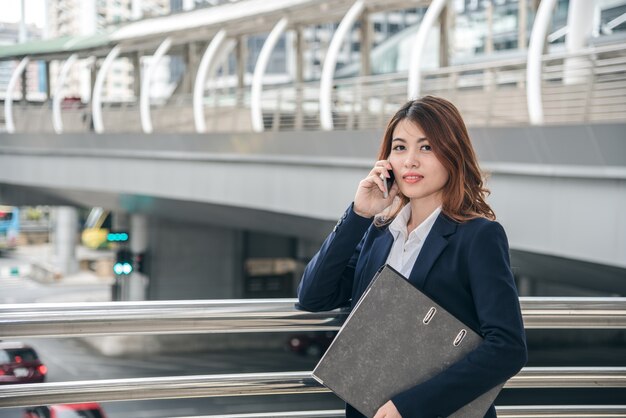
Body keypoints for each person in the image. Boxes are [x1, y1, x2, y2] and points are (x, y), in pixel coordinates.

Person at [297, 96, 527, 418]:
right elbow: (313, 296)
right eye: (400, 147)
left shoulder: (478, 236)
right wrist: (359, 214)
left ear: (453, 154)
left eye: (427, 147)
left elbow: (508, 347)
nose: (410, 161)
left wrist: (408, 407)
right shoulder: (379, 233)